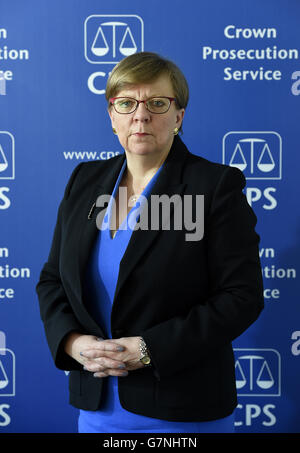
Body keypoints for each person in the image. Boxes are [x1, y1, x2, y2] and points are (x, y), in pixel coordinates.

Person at [36, 51, 264, 433]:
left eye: (157, 103)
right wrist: (72, 343)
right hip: (97, 411)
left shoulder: (215, 187)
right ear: (112, 115)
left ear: (179, 117)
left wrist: (148, 351)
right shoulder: (84, 180)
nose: (140, 115)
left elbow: (241, 297)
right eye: (126, 103)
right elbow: (52, 280)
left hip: (183, 413)